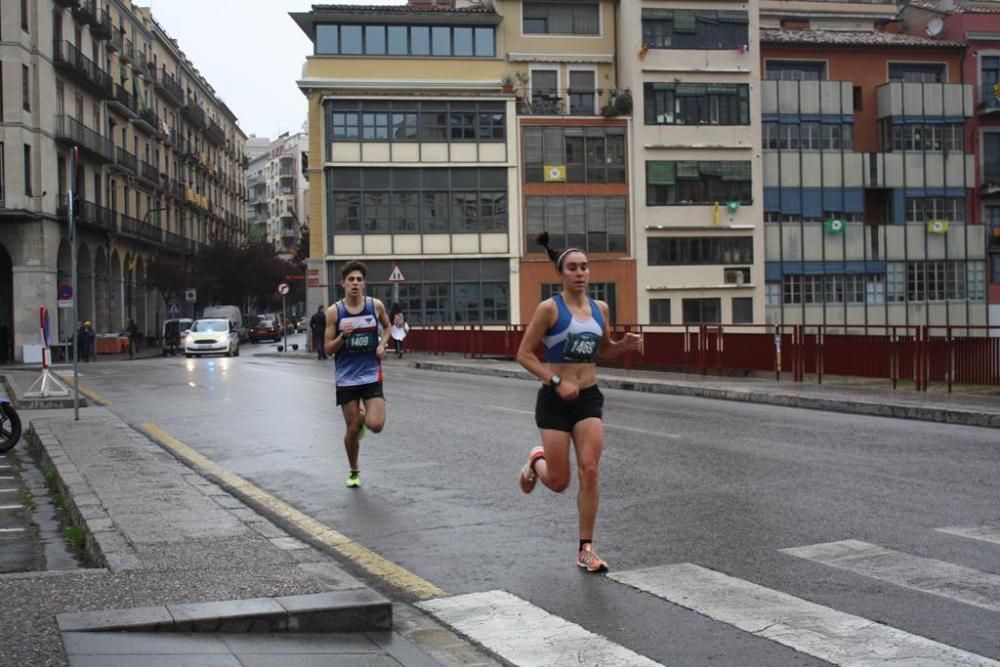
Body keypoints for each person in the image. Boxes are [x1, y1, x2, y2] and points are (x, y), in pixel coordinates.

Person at [515, 232, 643, 574]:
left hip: (588, 397)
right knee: (558, 482)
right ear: (561, 274)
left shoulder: (600, 309)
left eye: (584, 267)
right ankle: (535, 460)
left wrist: (624, 346)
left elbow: (604, 351)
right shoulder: (549, 310)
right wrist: (556, 381)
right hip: (555, 401)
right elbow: (524, 355)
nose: (580, 273)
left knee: (590, 469)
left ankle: (586, 548)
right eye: (572, 268)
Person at [324, 261, 392, 489]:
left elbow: (388, 328)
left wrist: (383, 344)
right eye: (350, 279)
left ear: (364, 283)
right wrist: (343, 337)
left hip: (371, 375)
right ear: (342, 283)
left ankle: (364, 417)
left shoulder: (376, 306)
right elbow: (328, 349)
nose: (355, 283)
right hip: (346, 379)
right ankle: (354, 471)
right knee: (352, 428)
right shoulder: (335, 312)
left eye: (359, 279)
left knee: (376, 425)